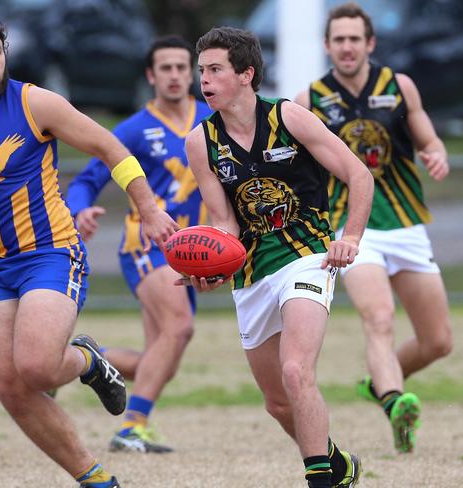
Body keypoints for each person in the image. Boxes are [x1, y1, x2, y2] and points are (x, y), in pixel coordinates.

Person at [0, 7, 178, 488]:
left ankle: (91, 360)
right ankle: (95, 478)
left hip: (51, 252)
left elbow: (112, 149)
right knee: (11, 385)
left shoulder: (36, 104)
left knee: (35, 366)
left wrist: (151, 209)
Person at [183, 27, 374, 488]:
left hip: (308, 255)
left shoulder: (289, 117)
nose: (203, 80)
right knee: (277, 402)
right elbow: (224, 222)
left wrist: (349, 236)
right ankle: (334, 462)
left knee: (295, 369)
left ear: (246, 74)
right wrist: (206, 265)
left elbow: (358, 173)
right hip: (250, 272)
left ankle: (318, 481)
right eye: (201, 71)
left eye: (214, 70)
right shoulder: (200, 142)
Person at [295, 2, 453, 454]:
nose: (347, 47)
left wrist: (437, 152)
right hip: (352, 230)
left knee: (438, 341)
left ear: (370, 43)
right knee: (378, 318)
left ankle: (380, 382)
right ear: (327, 46)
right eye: (338, 39)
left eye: (354, 39)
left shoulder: (399, 86)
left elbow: (428, 136)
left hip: (405, 224)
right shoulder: (310, 99)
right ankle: (394, 400)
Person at [65, 35, 212, 454]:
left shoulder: (211, 120)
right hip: (146, 247)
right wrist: (80, 210)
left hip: (192, 252)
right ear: (151, 75)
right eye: (165, 68)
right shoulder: (133, 129)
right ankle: (132, 427)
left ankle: (79, 360)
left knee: (161, 361)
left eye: (183, 67)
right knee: (180, 328)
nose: (175, 75)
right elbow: (88, 180)